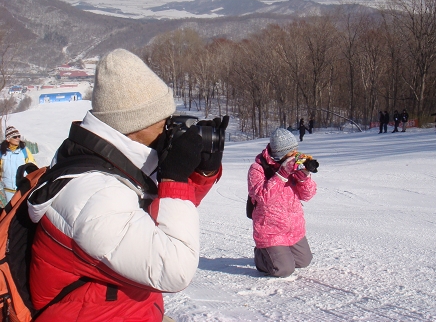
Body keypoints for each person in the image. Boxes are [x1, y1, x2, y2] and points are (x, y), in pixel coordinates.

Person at [27, 49, 226, 321]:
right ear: (135, 125)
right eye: (163, 120)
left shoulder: (109, 163)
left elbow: (163, 214)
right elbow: (174, 269)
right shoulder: (96, 197)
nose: (170, 127)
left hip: (119, 309)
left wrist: (202, 171)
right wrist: (174, 177)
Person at [248, 128, 317, 277]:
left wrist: (304, 177)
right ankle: (261, 255)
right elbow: (263, 197)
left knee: (304, 261)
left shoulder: (294, 167)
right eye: (292, 153)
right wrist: (282, 174)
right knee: (284, 270)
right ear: (281, 154)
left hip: (293, 228)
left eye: (296, 151)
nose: (296, 156)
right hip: (270, 230)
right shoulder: (258, 169)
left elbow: (308, 195)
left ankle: (277, 254)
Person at [0, 126, 37, 204]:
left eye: (19, 136)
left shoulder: (24, 151)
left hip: (22, 189)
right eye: (15, 137)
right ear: (8, 139)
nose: (18, 138)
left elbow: (33, 167)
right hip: (8, 190)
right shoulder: (2, 153)